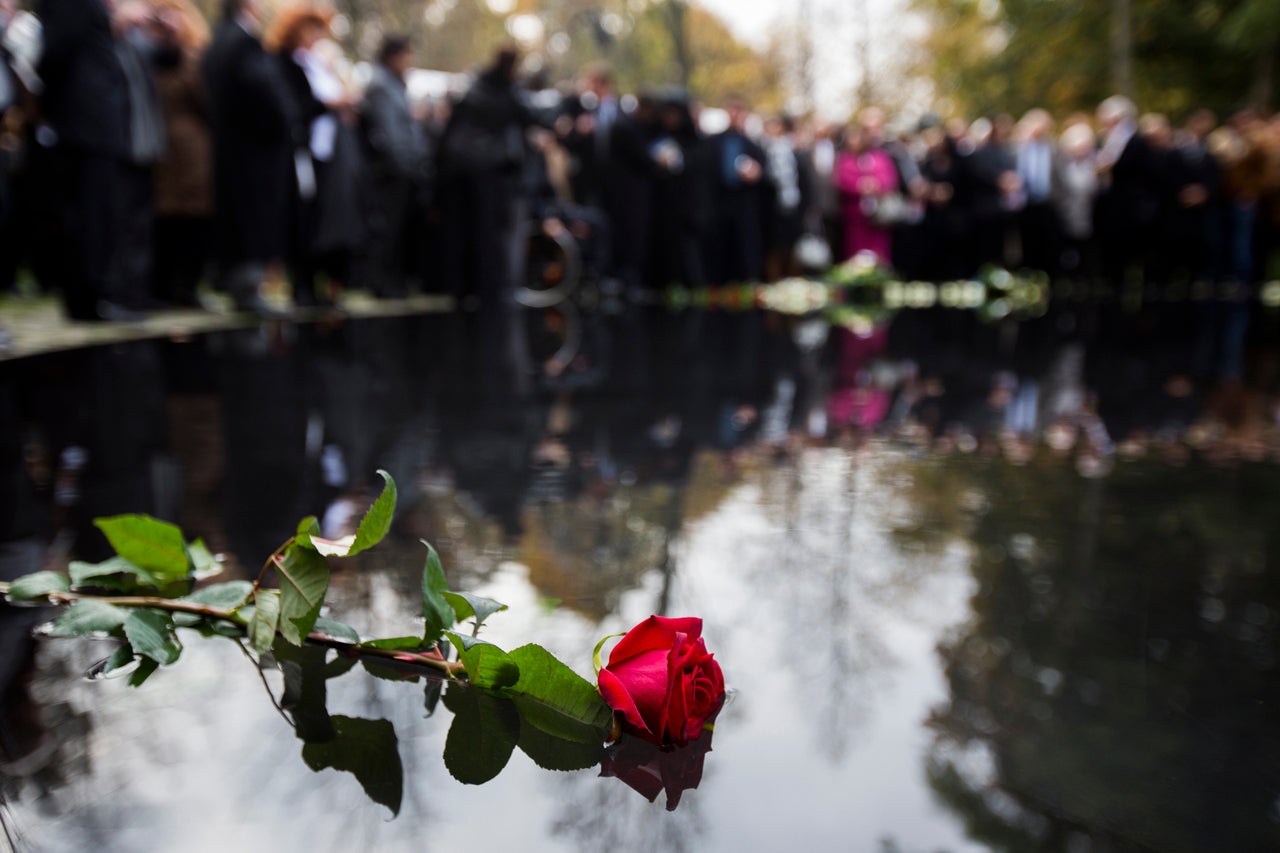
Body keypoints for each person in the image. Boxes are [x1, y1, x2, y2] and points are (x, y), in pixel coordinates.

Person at [36, 0, 134, 320]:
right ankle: (88, 298)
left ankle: (94, 294)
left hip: (91, 120)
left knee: (98, 211)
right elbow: (55, 53)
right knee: (89, 213)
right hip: (84, 121)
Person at [266, 4, 361, 306]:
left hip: (327, 154)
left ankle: (322, 282)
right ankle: (301, 283)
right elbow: (300, 107)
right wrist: (330, 104)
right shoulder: (285, 63)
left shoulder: (317, 64)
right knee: (302, 216)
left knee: (322, 220)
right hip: (301, 151)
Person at [202, 0, 293, 315]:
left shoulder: (219, 40)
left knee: (236, 218)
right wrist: (285, 121)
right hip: (253, 151)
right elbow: (266, 95)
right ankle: (248, 289)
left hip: (230, 148)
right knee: (252, 220)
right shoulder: (244, 42)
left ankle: (235, 282)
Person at [150, 0, 214, 308]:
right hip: (158, 148)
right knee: (163, 220)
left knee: (193, 220)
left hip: (192, 152)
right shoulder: (146, 54)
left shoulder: (195, 57)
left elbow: (205, 99)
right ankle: (161, 287)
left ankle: (186, 287)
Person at [359, 34, 428, 298]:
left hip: (402, 168)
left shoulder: (394, 84)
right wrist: (404, 163)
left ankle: (392, 279)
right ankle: (380, 281)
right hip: (391, 170)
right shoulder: (381, 86)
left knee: (397, 227)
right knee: (386, 227)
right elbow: (390, 133)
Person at [705, 96, 769, 284]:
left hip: (744, 203)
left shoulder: (752, 145)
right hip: (720, 201)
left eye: (738, 110)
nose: (735, 115)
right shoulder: (713, 142)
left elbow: (763, 175)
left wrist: (756, 174)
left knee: (744, 244)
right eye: (731, 110)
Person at [834, 110, 898, 264]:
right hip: (855, 218)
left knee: (879, 255)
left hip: (878, 217)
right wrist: (860, 185)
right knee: (856, 256)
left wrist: (877, 185)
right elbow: (841, 179)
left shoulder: (879, 157)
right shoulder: (845, 159)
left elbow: (889, 178)